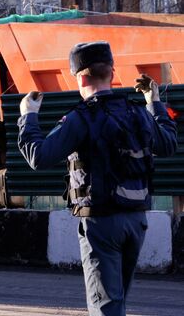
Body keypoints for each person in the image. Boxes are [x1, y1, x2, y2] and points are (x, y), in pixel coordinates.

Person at [17, 41, 177, 316]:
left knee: (105, 307)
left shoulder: (81, 118)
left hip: (101, 223)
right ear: (112, 73)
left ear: (79, 76)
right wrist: (155, 103)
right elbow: (169, 143)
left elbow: (39, 156)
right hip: (136, 220)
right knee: (117, 304)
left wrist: (28, 117)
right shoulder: (138, 112)